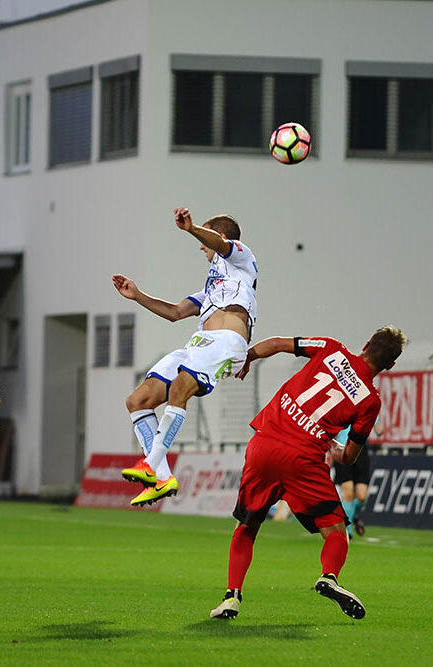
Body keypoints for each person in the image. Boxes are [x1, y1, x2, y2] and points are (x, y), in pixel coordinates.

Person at [209, 326, 407, 621]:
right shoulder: (370, 401)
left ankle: (231, 597)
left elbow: (277, 343)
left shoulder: (330, 348)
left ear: (366, 343)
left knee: (247, 526)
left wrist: (247, 357)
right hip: (303, 459)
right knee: (336, 532)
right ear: (389, 365)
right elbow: (349, 456)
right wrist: (333, 446)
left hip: (264, 445)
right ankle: (329, 576)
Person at [115, 207, 258, 506]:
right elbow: (175, 312)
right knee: (138, 400)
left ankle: (150, 464)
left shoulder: (244, 259)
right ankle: (162, 478)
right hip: (198, 345)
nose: (201, 247)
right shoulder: (211, 289)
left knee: (180, 387)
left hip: (227, 342)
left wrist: (192, 229)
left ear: (219, 236)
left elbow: (221, 245)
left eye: (205, 240)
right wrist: (137, 295)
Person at [331, 425, 371, 539]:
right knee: (348, 493)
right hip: (342, 448)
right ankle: (347, 530)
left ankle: (354, 514)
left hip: (360, 449)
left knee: (362, 497)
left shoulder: (367, 413)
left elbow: (378, 429)